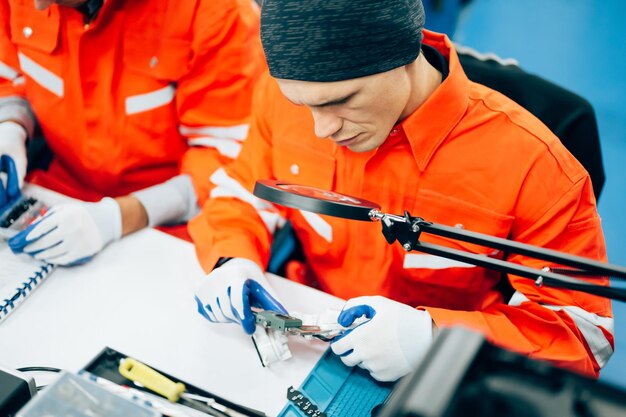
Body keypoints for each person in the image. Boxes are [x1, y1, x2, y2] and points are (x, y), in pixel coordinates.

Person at [191, 0, 613, 382]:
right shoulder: (282, 99)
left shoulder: (535, 163)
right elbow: (243, 191)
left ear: (404, 56)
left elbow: (582, 335)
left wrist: (434, 338)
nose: (323, 129)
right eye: (304, 105)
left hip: (446, 376)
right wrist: (232, 257)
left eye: (343, 99)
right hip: (307, 345)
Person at [0, 0, 262, 265]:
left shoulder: (214, 12)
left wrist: (119, 217)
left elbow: (227, 164)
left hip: (169, 220)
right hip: (59, 191)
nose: (34, 5)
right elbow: (10, 74)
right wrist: (11, 124)